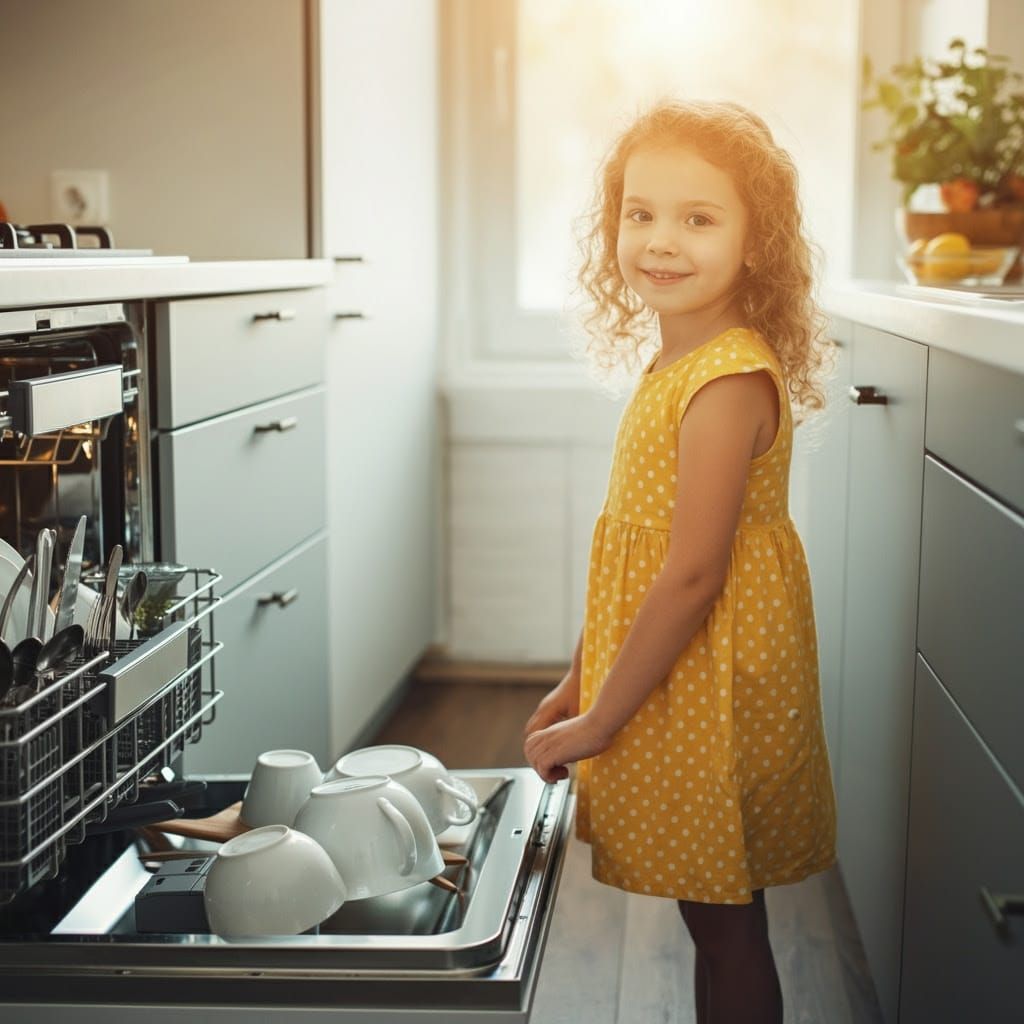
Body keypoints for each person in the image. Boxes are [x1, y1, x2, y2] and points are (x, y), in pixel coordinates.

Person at [523, 99, 838, 1024]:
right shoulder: (676, 365)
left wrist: (595, 725)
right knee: (716, 912)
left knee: (726, 915)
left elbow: (693, 574)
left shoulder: (727, 377)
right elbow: (634, 549)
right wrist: (581, 679)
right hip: (678, 667)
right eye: (639, 212)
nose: (660, 241)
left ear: (759, 243)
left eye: (699, 219)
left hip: (717, 677)